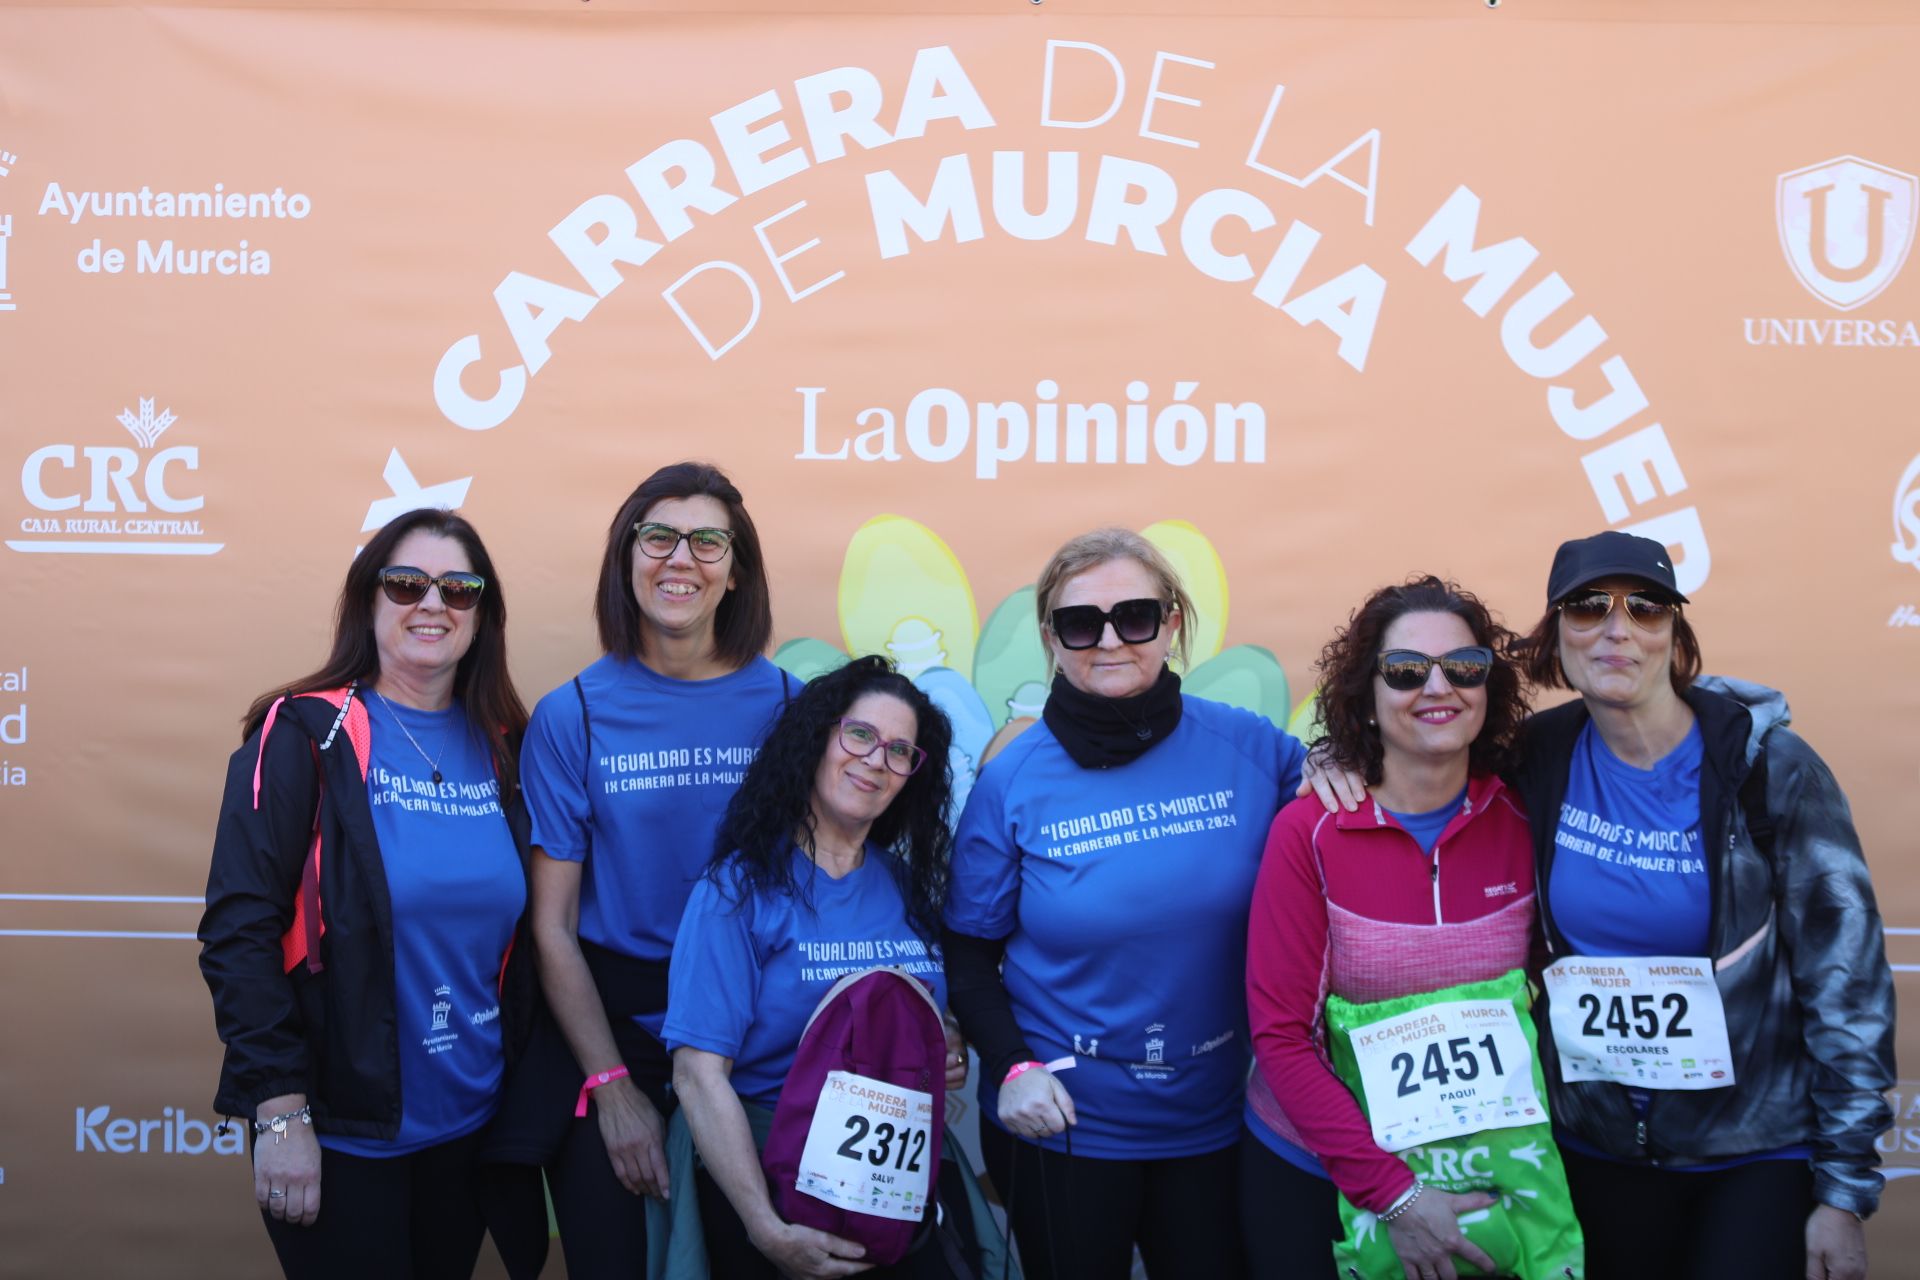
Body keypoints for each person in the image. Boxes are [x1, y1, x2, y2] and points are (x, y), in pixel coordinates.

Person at [1505, 531, 1895, 1280]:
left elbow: (1847, 982)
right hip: (1595, 1150)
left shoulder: (1769, 768)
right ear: (1556, 634)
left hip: (1752, 1152)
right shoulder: (1536, 757)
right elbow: (1417, 757)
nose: (1617, 629)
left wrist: (1844, 1189)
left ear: (1674, 635)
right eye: (1588, 607)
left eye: (1646, 608)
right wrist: (1337, 760)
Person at [943, 527, 1309, 1280]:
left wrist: (1341, 760)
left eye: (1136, 616)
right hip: (1064, 1128)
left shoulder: (1253, 748)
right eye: (1082, 623)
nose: (1109, 640)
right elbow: (969, 952)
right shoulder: (1012, 780)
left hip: (1215, 1124)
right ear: (1051, 638)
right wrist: (1011, 1068)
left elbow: (1348, 809)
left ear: (1172, 623)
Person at [200, 508, 536, 1279]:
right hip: (343, 1133)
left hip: (469, 1129)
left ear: (483, 616)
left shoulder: (508, 746)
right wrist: (280, 1111)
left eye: (460, 589)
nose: (432, 604)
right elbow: (238, 932)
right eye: (406, 583)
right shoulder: (303, 735)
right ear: (368, 599)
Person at [512, 461, 793, 1278]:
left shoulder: (789, 706)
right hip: (616, 1023)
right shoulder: (575, 713)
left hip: (754, 1029)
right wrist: (610, 1086)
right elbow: (552, 926)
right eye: (659, 537)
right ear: (626, 558)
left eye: (709, 541)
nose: (682, 559)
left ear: (736, 570)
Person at [1242, 576, 1536, 1280]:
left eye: (1463, 668)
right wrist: (1396, 1195)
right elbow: (1282, 1036)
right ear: (1366, 699)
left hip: (1484, 1168)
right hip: (1312, 1172)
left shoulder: (1527, 815)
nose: (1438, 688)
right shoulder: (1309, 830)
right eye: (1406, 671)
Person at [667, 655, 962, 1280]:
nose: (876, 760)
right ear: (818, 739)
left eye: (900, 751)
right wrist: (765, 1227)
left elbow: (923, 1016)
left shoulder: (906, 890)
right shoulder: (737, 891)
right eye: (860, 735)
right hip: (772, 1180)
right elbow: (697, 1074)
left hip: (893, 1199)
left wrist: (947, 1045)